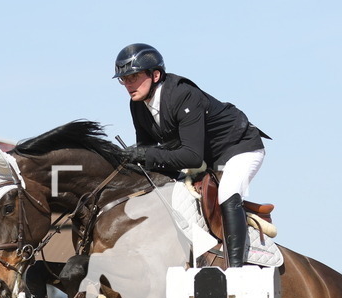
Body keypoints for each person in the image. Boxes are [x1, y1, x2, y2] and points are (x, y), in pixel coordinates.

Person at [113, 43, 267, 268]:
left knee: (227, 193)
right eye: (124, 79)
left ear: (155, 75)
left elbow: (191, 157)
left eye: (133, 77)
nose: (128, 84)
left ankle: (237, 271)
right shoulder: (137, 105)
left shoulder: (183, 95)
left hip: (239, 148)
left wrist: (143, 154)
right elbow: (149, 151)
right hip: (205, 157)